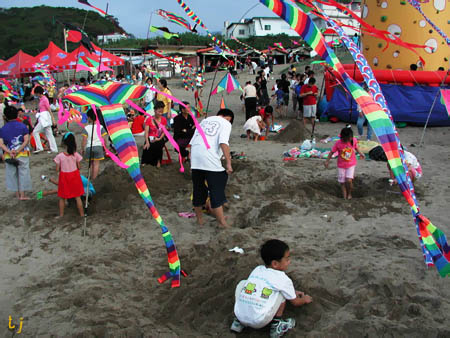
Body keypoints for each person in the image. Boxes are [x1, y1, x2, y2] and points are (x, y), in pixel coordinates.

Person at [231, 239, 313, 336]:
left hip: (240, 315)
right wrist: (305, 299)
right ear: (275, 263)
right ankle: (276, 325)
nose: (289, 262)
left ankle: (238, 323)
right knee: (281, 293)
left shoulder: (257, 269)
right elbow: (295, 302)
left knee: (243, 284)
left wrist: (293, 291)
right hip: (259, 321)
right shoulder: (283, 279)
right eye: (286, 259)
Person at [190, 108, 234, 228]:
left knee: (198, 190)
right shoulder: (226, 124)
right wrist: (228, 163)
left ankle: (200, 220)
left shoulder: (204, 121)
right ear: (227, 118)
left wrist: (192, 162)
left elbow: (192, 142)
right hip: (209, 158)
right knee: (217, 190)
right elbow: (224, 142)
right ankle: (222, 222)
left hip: (196, 158)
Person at [0, 105, 32, 200]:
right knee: (23, 172)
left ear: (5, 117)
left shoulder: (3, 129)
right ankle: (22, 195)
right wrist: (18, 150)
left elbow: (1, 144)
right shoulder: (22, 126)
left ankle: (17, 194)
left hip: (8, 154)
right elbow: (26, 140)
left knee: (12, 174)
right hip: (22, 153)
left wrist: (9, 151)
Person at [324, 127, 365, 199]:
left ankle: (349, 193)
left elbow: (356, 148)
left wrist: (361, 154)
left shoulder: (354, 141)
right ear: (343, 138)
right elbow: (331, 152)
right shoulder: (338, 143)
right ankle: (344, 197)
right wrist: (327, 161)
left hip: (351, 164)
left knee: (349, 180)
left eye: (350, 138)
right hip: (341, 165)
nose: (349, 140)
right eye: (347, 139)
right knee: (342, 182)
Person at [54, 132, 84, 217]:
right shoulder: (75, 155)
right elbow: (79, 167)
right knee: (77, 197)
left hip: (64, 176)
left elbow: (57, 169)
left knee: (62, 197)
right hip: (74, 176)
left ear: (64, 143)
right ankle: (82, 214)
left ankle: (61, 215)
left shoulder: (60, 156)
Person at [81, 109, 108, 181]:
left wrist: (82, 149)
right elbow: (104, 139)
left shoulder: (86, 128)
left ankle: (91, 177)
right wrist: (105, 147)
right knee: (96, 164)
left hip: (89, 147)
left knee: (91, 163)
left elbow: (84, 140)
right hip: (98, 147)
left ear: (89, 118)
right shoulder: (101, 127)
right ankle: (94, 178)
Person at [142, 100, 168, 167]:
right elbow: (146, 132)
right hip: (150, 137)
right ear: (154, 110)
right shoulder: (149, 119)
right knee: (146, 146)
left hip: (159, 137)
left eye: (161, 112)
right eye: (159, 112)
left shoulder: (163, 120)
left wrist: (159, 138)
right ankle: (144, 162)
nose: (160, 113)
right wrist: (147, 141)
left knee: (158, 145)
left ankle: (158, 161)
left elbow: (164, 132)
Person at [32, 86, 58, 154]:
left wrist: (53, 119)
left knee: (35, 131)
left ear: (38, 93)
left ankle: (39, 147)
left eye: (36, 93)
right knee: (49, 134)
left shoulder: (44, 99)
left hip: (44, 118)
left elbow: (49, 109)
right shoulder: (42, 99)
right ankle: (54, 148)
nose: (36, 95)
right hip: (44, 117)